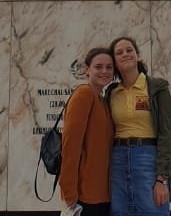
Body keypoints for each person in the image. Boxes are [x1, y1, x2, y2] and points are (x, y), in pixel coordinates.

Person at [106, 37, 171, 216]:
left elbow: (168, 134)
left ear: (138, 56)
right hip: (117, 161)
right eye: (119, 52)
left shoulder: (156, 88)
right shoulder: (112, 92)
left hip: (148, 159)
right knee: (119, 212)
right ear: (114, 62)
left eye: (129, 50)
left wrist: (162, 179)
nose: (125, 54)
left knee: (153, 210)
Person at [58, 48, 115, 216]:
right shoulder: (84, 94)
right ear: (87, 70)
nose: (104, 71)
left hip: (102, 194)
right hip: (84, 195)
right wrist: (69, 190)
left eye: (109, 67)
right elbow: (70, 145)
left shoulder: (101, 100)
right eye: (98, 67)